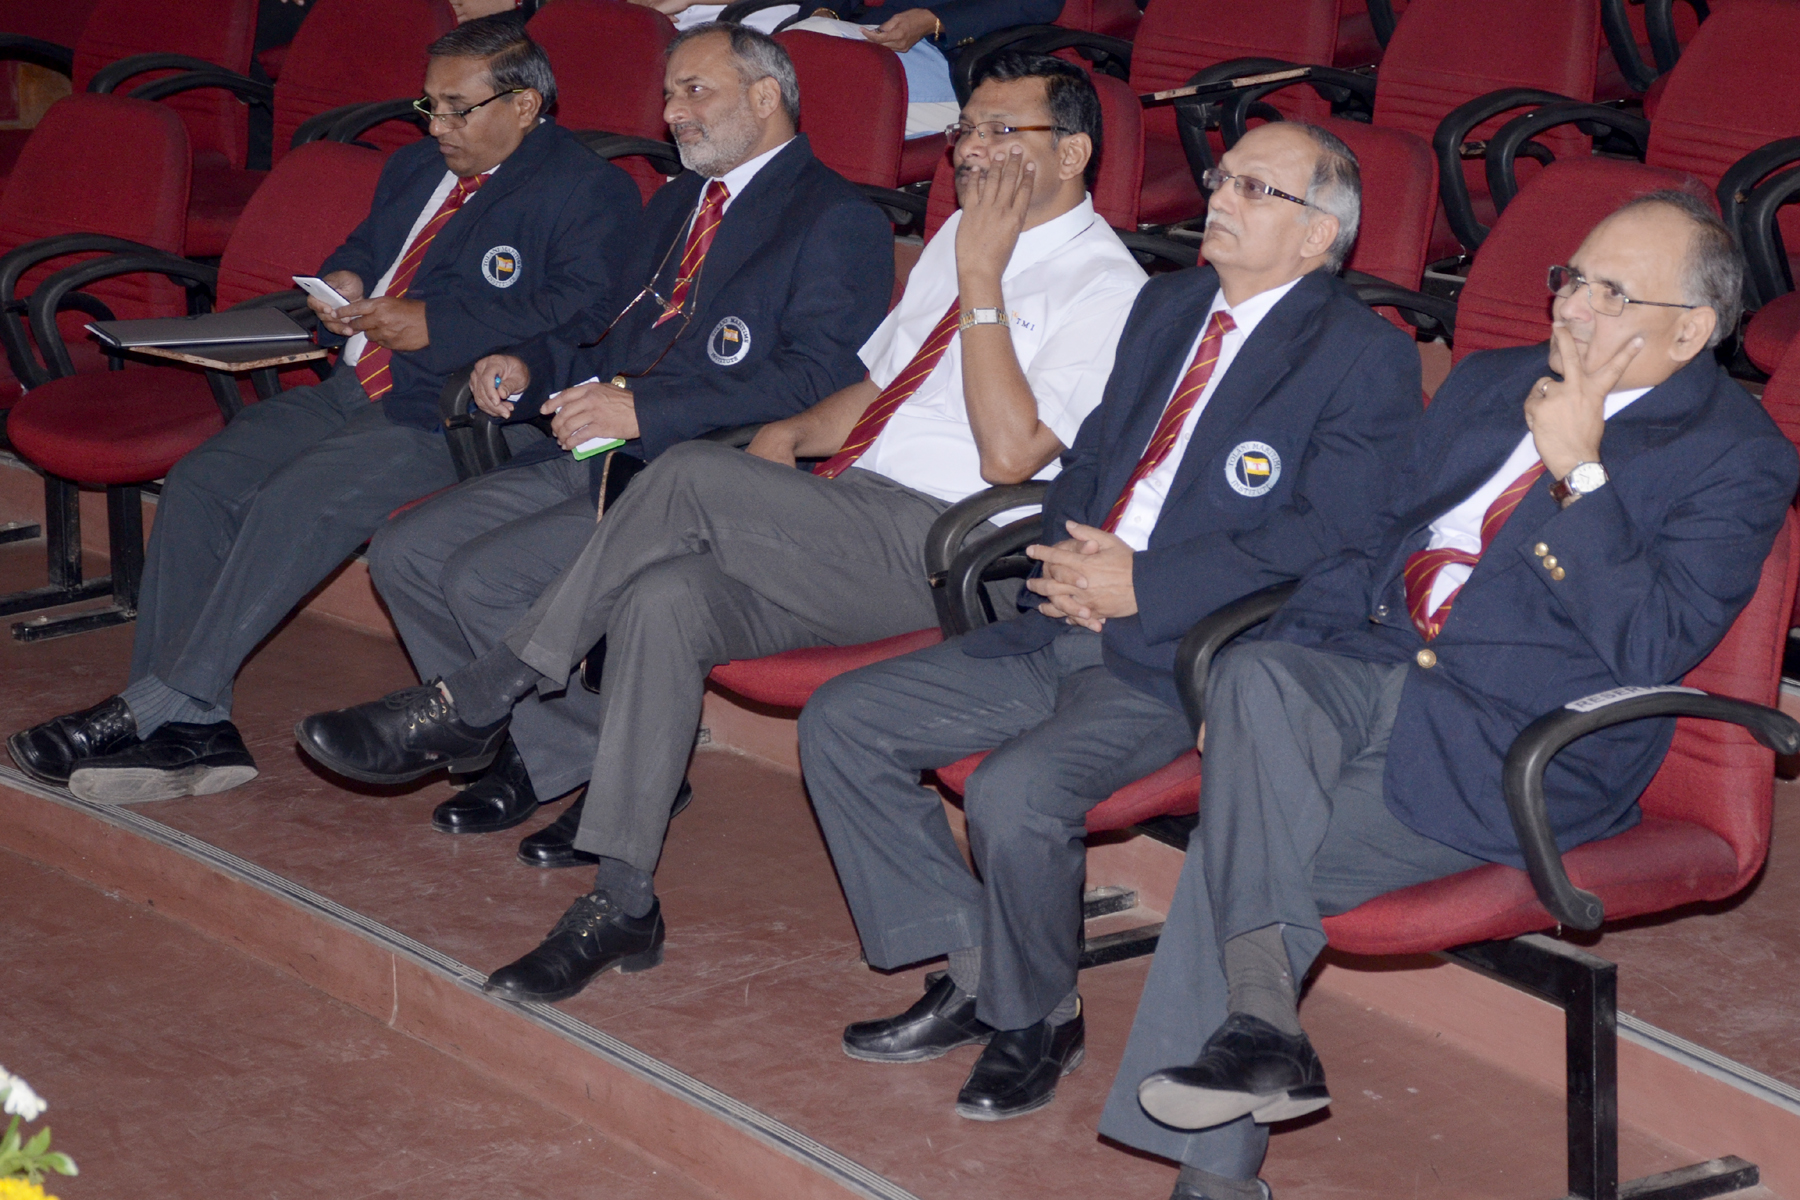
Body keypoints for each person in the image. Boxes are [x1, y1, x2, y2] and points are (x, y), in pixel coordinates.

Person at [294, 53, 1149, 1007]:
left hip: (946, 547)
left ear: (1071, 153)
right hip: (849, 512)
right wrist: (791, 434)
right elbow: (879, 386)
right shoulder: (958, 238)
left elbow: (1011, 454)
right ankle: (622, 899)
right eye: (967, 130)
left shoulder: (1108, 288)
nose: (973, 152)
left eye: (1002, 132)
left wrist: (983, 277)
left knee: (692, 472)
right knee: (666, 600)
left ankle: (488, 689)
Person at [1099, 191, 1797, 1200]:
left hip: (1513, 745)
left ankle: (1222, 1156)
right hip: (1372, 670)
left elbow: (1650, 642)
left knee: (1245, 851)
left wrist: (1578, 473)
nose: (1572, 307)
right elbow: (1366, 548)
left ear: (1690, 331)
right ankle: (1259, 1046)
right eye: (1572, 279)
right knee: (1255, 671)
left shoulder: (1738, 458)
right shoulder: (1490, 382)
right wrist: (1264, 688)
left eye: (1612, 293)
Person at [796, 121, 1422, 1123]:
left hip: (1179, 655)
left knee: (1014, 792)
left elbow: (1332, 537)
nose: (1219, 199)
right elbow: (1089, 461)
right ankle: (978, 966)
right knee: (843, 721)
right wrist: (1065, 558)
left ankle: (1036, 1018)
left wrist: (1145, 585)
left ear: (1318, 236)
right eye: (1222, 178)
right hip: (1064, 613)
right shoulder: (1168, 305)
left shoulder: (1363, 357)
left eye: (1255, 190)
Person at [7, 15, 639, 804]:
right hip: (353, 384)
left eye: (457, 109)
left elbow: (583, 317)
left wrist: (437, 325)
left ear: (524, 104)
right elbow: (370, 249)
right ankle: (193, 723)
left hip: (454, 413)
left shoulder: (589, 192)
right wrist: (344, 281)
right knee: (203, 480)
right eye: (429, 105)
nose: (437, 125)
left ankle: (156, 706)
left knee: (295, 500)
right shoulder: (416, 166)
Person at [339, 23, 893, 843]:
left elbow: (819, 384)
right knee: (406, 553)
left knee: (481, 577)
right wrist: (527, 365)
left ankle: (582, 763)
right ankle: (567, 749)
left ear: (765, 97)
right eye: (668, 94)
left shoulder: (836, 217)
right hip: (597, 444)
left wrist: (647, 411)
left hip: (698, 471)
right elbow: (600, 328)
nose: (672, 113)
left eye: (694, 91)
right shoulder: (675, 202)